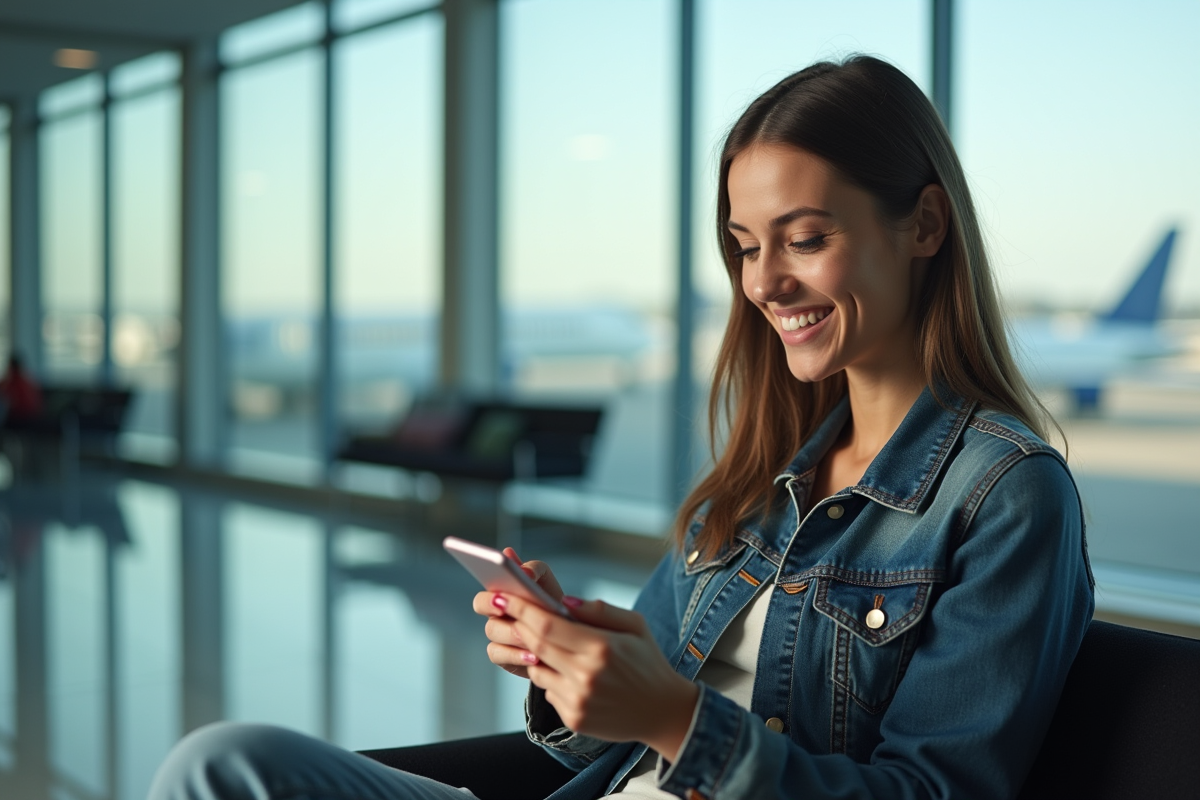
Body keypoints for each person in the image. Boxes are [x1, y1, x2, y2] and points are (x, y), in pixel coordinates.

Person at [149, 55, 1093, 800]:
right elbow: (608, 743)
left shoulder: (1005, 497)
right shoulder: (763, 478)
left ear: (924, 225)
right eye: (745, 247)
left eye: (805, 239)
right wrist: (567, 665)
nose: (764, 283)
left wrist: (678, 721)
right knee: (223, 763)